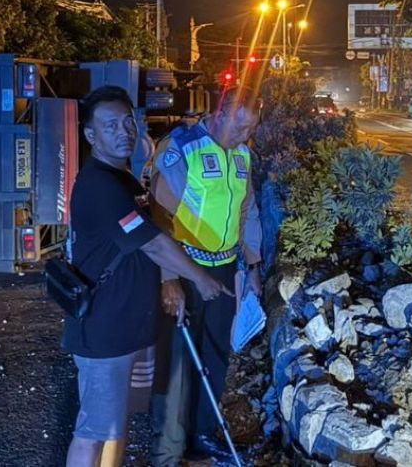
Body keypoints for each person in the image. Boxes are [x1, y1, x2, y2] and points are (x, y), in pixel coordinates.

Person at [63, 86, 231, 467]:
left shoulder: (124, 179)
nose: (125, 131)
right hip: (104, 332)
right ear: (91, 135)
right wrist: (200, 280)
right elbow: (153, 243)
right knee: (93, 431)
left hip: (128, 328)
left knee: (115, 425)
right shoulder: (99, 186)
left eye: (129, 122)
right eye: (111, 126)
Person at [149, 86, 263, 465]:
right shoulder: (183, 149)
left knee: (215, 355)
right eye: (238, 127)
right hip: (184, 268)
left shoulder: (243, 156)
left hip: (225, 266)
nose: (242, 137)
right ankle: (168, 445)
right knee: (179, 361)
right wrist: (168, 277)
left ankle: (200, 435)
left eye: (250, 129)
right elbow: (159, 219)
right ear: (217, 114)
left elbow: (247, 212)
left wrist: (252, 266)